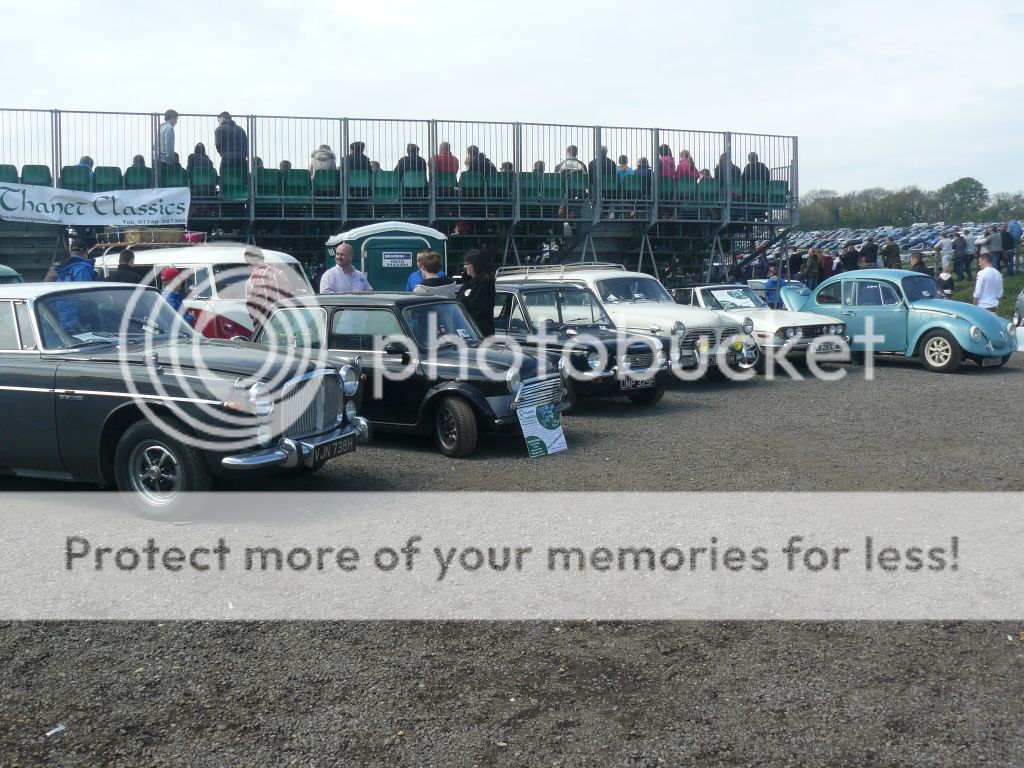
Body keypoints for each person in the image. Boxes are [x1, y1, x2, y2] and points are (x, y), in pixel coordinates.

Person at [244, 246, 292, 327]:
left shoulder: (251, 281)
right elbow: (291, 296)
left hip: (264, 325)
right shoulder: (280, 273)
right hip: (284, 322)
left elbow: (250, 307)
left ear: (249, 261)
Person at [456, 250, 495, 336]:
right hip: (467, 330)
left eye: (467, 264)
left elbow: (478, 312)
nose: (464, 266)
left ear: (475, 264)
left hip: (478, 332)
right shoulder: (469, 282)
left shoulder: (483, 283)